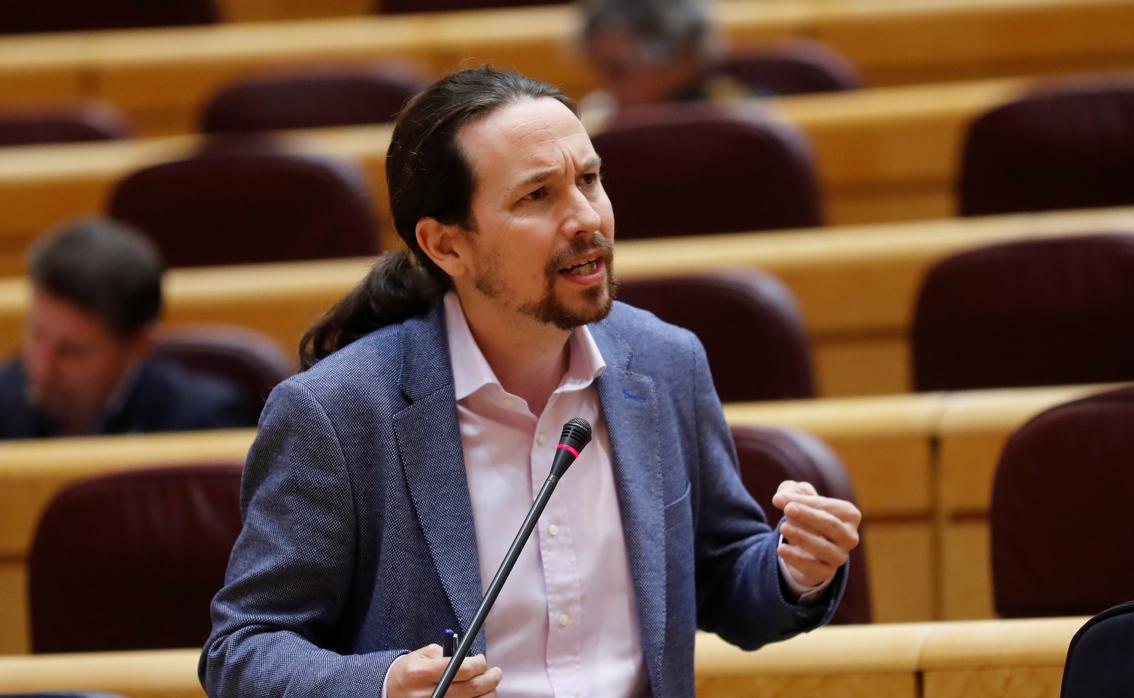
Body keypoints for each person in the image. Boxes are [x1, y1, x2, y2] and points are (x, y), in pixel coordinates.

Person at [200, 66, 861, 698]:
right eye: (536, 196)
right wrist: (379, 685)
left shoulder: (665, 363)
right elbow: (244, 649)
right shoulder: (339, 414)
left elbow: (717, 575)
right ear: (446, 246)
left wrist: (791, 571)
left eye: (590, 180)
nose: (585, 219)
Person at [0, 218, 252, 439]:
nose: (43, 368)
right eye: (36, 334)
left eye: (72, 351)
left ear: (139, 346)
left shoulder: (203, 425)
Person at [577, 0, 754, 126]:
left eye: (617, 71)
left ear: (680, 60)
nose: (606, 85)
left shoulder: (740, 117)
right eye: (598, 68)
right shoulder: (600, 115)